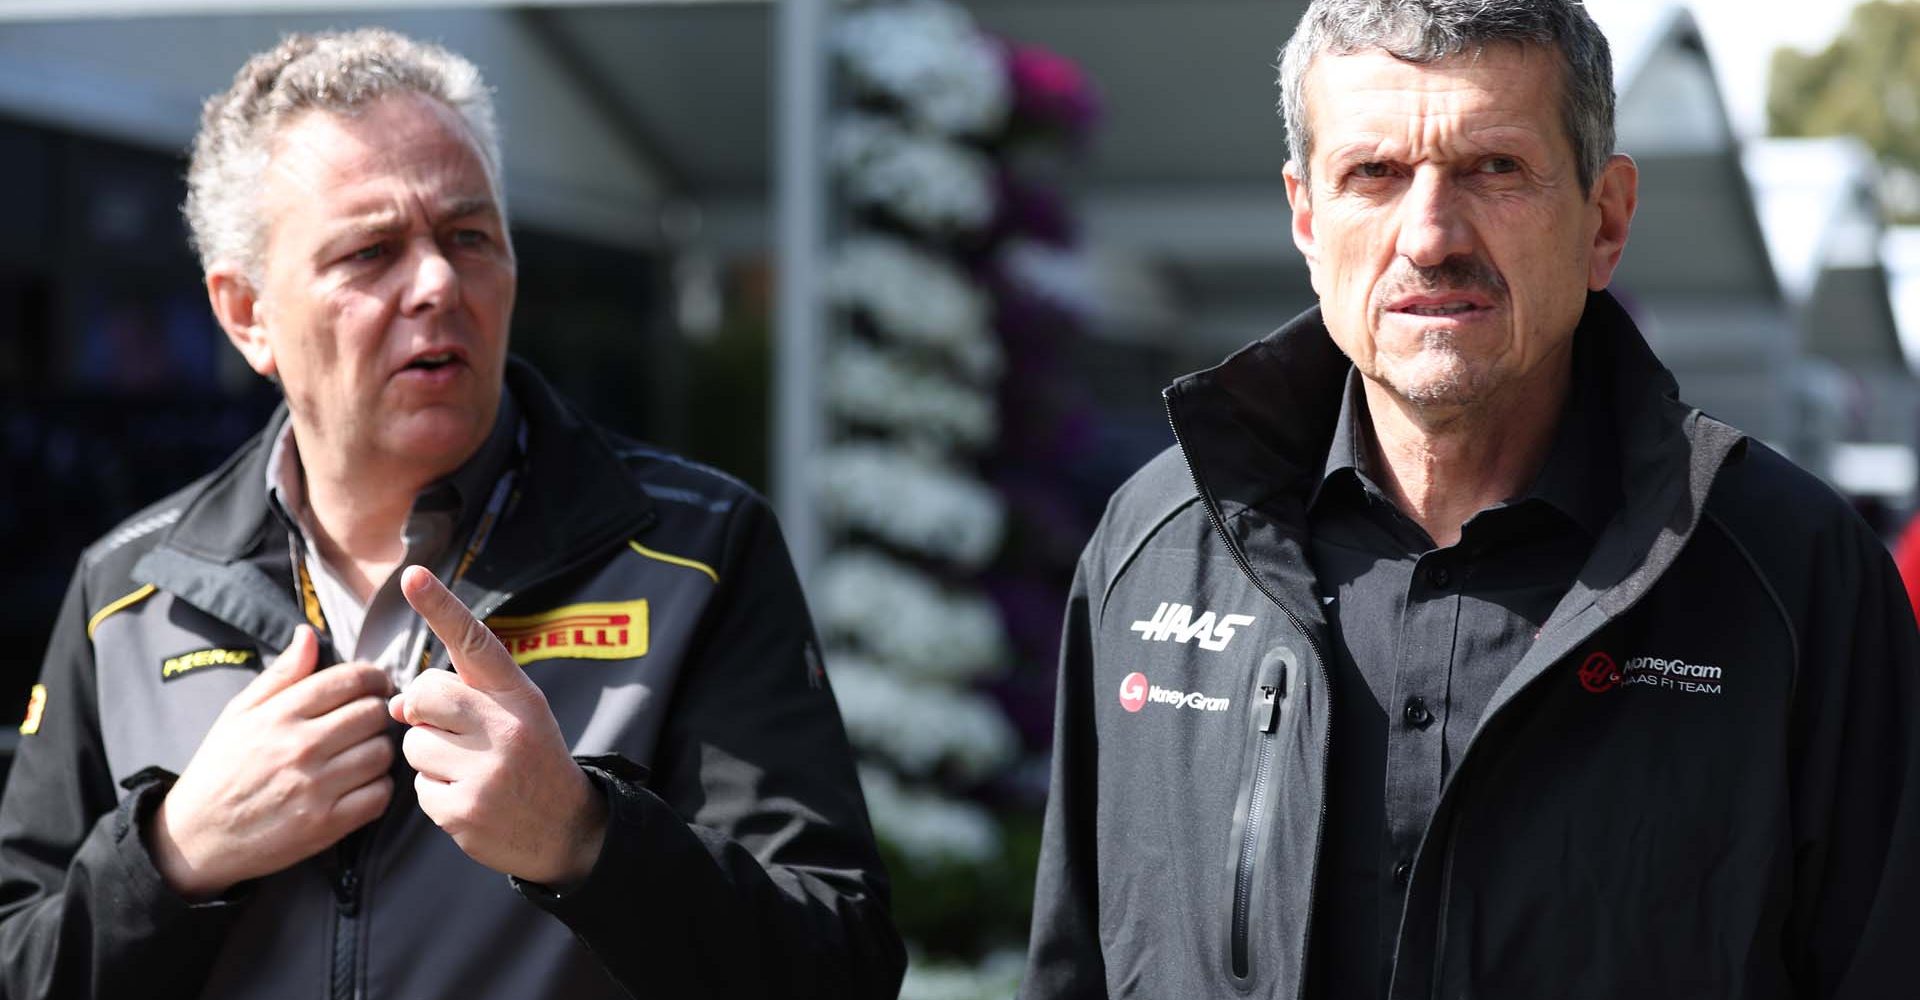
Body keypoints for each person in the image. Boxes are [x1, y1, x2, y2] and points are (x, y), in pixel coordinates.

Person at [1021, 1, 1920, 997]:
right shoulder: (1157, 549)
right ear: (1307, 219)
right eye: (1374, 174)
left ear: (1605, 219)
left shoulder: (1794, 578)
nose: (1432, 234)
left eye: (1494, 168)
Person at [0, 29, 902, 1000]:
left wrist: (583, 839)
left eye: (468, 236)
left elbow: (839, 964)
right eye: (372, 251)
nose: (436, 283)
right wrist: (173, 857)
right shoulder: (126, 591)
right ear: (246, 314)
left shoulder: (695, 548)